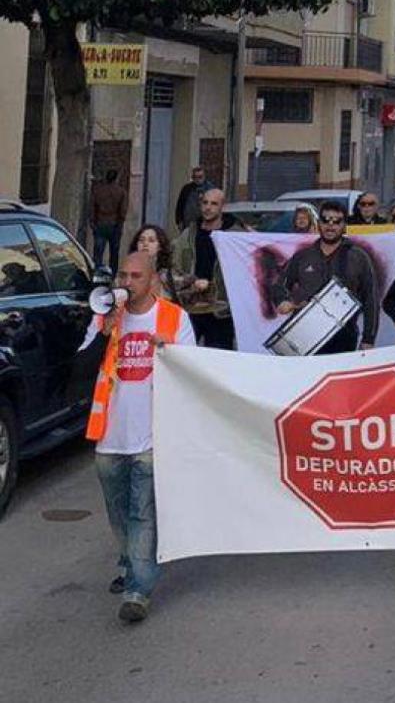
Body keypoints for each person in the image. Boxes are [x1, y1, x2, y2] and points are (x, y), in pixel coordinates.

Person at [80, 251, 196, 623]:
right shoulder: (105, 315)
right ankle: (132, 562)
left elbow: (194, 373)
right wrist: (107, 329)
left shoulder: (175, 318)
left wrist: (170, 351)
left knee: (141, 511)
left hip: (152, 434)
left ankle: (138, 590)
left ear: (152, 280)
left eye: (134, 276)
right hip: (109, 434)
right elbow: (81, 367)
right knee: (118, 513)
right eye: (121, 276)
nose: (126, 283)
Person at [276, 201, 379, 354]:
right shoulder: (303, 256)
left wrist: (368, 339)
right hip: (305, 335)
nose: (331, 225)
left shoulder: (358, 257)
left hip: (344, 336)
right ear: (318, 224)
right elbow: (279, 285)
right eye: (326, 220)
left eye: (337, 221)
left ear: (344, 225)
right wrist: (282, 300)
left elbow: (371, 299)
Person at [172, 188, 239, 349]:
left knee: (219, 362)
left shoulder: (234, 236)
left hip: (221, 310)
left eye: (214, 204)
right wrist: (188, 282)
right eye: (205, 203)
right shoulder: (188, 234)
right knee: (184, 358)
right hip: (191, 308)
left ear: (222, 207)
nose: (208, 207)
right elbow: (174, 266)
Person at [129, 225, 188, 304]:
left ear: (159, 246)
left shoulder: (168, 275)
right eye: (141, 240)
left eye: (151, 240)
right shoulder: (127, 275)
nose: (145, 244)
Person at [90, 169, 128, 274]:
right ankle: (112, 274)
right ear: (116, 178)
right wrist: (120, 224)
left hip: (100, 223)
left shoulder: (98, 191)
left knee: (98, 253)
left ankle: (96, 273)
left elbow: (92, 207)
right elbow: (123, 211)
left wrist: (92, 221)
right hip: (114, 225)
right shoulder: (121, 192)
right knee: (114, 253)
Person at [174, 166, 214, 231]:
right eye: (195, 177)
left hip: (205, 224)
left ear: (204, 176)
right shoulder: (187, 189)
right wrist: (179, 221)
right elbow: (180, 205)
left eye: (200, 177)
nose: (198, 179)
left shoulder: (210, 189)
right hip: (188, 224)